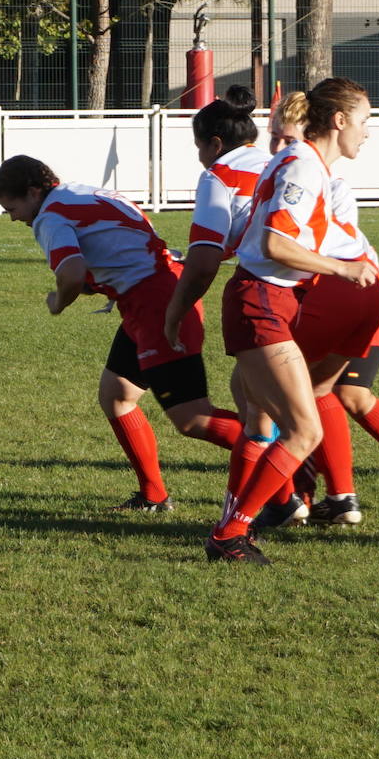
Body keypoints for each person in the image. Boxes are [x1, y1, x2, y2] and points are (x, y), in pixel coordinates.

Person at [0, 155, 243, 512]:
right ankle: (153, 496)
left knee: (192, 418)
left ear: (33, 192)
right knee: (117, 394)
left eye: (12, 207)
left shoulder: (49, 216)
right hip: (153, 293)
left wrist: (58, 302)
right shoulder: (81, 193)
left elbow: (72, 275)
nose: (13, 217)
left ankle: (288, 455)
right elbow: (123, 242)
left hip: (156, 305)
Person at [205, 77, 379, 564]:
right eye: (366, 121)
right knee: (304, 431)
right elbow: (274, 244)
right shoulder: (304, 166)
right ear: (340, 120)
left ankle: (250, 519)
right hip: (260, 303)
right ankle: (230, 533)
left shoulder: (308, 165)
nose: (369, 132)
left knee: (264, 421)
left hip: (269, 302)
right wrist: (344, 270)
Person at [259, 90, 379, 529]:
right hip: (337, 297)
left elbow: (313, 246)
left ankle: (323, 494)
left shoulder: (322, 182)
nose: (280, 149)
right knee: (320, 392)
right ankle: (333, 494)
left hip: (353, 297)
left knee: (324, 393)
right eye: (274, 139)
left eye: (288, 139)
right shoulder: (296, 172)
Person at [161, 86, 308, 528]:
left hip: (269, 294)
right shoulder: (277, 163)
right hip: (314, 287)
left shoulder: (219, 175)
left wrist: (175, 310)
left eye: (198, 148)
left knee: (263, 411)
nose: (200, 158)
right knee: (259, 399)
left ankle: (253, 515)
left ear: (215, 144)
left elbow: (205, 260)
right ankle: (294, 501)